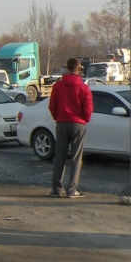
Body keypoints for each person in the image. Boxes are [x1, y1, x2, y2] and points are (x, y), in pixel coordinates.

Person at [48, 57, 93, 198]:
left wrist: (58, 117)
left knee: (59, 156)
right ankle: (72, 190)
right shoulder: (84, 88)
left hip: (62, 123)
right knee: (76, 158)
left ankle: (57, 189)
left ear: (67, 68)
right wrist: (84, 120)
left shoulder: (58, 86)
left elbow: (52, 106)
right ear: (79, 69)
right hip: (78, 124)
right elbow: (88, 109)